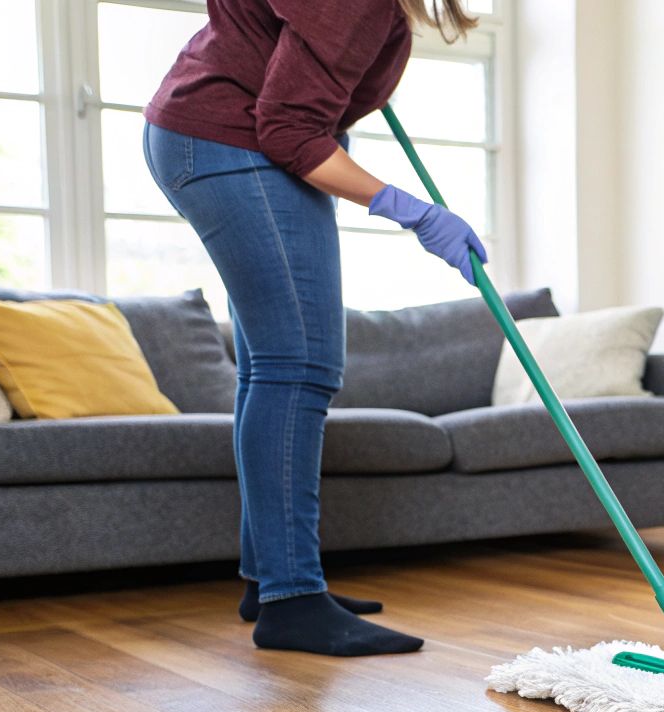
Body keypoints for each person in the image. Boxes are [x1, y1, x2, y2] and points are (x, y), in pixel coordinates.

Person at [142, 0, 486, 656]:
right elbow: (287, 130)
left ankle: (270, 577)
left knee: (271, 367)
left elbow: (286, 73)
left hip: (204, 133)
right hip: (233, 144)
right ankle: (293, 599)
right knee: (300, 365)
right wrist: (413, 212)